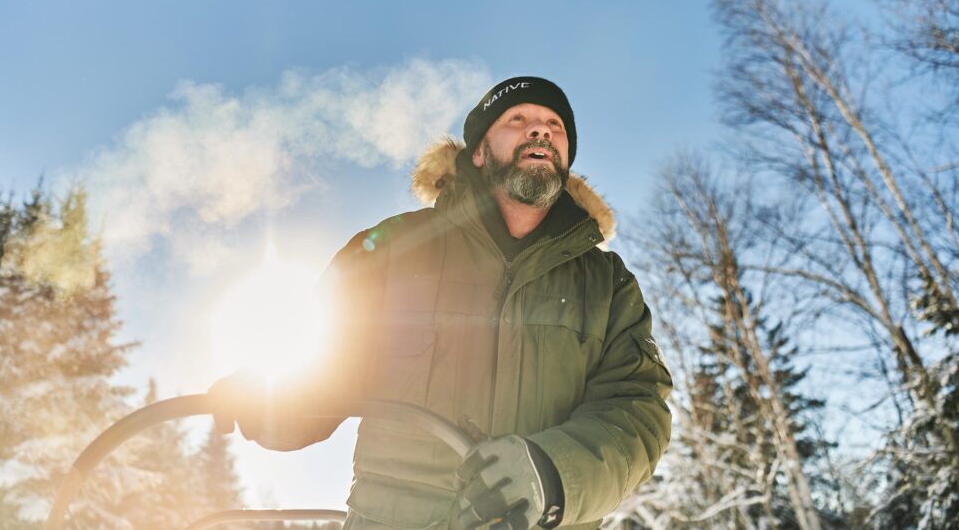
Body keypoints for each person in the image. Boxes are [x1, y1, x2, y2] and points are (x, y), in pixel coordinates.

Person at [209, 77, 673, 529]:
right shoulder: (393, 248)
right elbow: (326, 372)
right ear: (477, 151)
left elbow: (637, 410)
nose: (541, 130)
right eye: (518, 119)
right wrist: (266, 399)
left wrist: (556, 473)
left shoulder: (607, 283)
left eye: (555, 125)